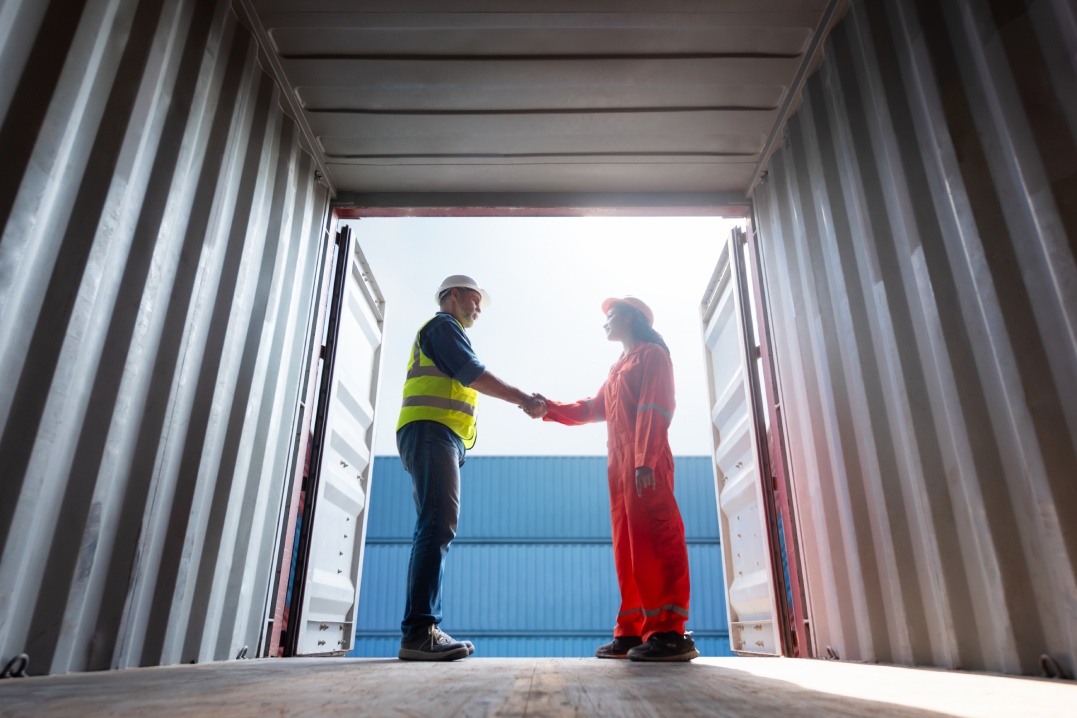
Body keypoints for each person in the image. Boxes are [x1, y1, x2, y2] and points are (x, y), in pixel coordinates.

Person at [530, 296, 697, 661]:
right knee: (629, 549)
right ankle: (634, 631)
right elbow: (593, 408)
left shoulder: (652, 355)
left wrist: (644, 460)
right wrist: (550, 408)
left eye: (612, 314)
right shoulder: (618, 367)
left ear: (633, 318)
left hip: (644, 460)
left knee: (657, 541)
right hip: (620, 466)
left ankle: (670, 632)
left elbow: (657, 406)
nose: (606, 320)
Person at [396, 275, 546, 661]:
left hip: (437, 435)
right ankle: (419, 631)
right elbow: (473, 373)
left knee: (437, 522)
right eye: (475, 300)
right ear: (454, 295)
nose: (478, 308)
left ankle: (422, 629)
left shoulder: (446, 330)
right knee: (437, 522)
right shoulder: (443, 326)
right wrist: (523, 399)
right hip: (431, 431)